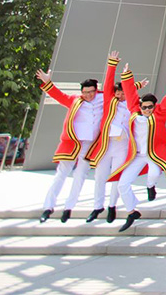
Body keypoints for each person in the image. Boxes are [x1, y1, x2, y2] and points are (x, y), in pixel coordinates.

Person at [116, 64, 166, 232]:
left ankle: (150, 186)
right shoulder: (134, 111)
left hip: (154, 154)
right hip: (137, 155)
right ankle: (131, 211)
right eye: (144, 107)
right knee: (122, 184)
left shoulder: (160, 113)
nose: (147, 110)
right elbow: (130, 93)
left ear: (155, 106)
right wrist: (127, 76)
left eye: (150, 107)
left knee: (153, 173)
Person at [34, 65, 104, 223]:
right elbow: (58, 96)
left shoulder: (103, 99)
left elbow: (118, 92)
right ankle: (48, 207)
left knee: (80, 175)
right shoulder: (75, 100)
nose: (88, 95)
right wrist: (48, 82)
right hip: (72, 143)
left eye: (91, 92)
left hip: (90, 145)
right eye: (85, 92)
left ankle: (68, 207)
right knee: (61, 174)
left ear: (96, 90)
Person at [84, 52, 143, 224]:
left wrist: (131, 80)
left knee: (117, 177)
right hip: (107, 144)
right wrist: (112, 64)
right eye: (118, 93)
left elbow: (132, 91)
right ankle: (97, 206)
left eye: (123, 93)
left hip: (123, 145)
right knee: (100, 176)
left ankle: (112, 206)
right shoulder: (110, 101)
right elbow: (108, 82)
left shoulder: (134, 105)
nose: (120, 96)